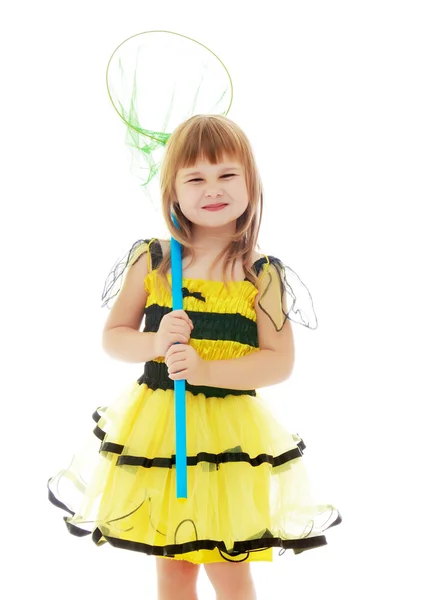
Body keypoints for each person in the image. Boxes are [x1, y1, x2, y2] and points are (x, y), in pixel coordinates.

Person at [48, 114, 341, 600]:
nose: (213, 189)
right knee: (174, 567)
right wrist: (156, 343)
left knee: (226, 565)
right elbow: (114, 337)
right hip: (162, 433)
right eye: (195, 178)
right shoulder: (156, 260)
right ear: (173, 192)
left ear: (250, 182)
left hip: (230, 440)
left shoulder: (259, 273)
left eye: (227, 174)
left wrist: (206, 369)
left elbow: (278, 362)